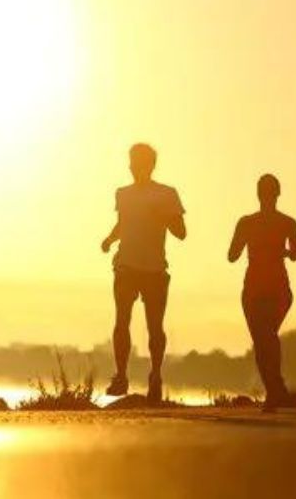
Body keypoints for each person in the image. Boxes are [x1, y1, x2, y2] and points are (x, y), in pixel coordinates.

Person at [100, 143, 186, 401]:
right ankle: (121, 376)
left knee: (155, 327)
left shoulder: (166, 194)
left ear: (149, 165)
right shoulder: (122, 194)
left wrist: (164, 216)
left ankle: (156, 376)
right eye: (130, 161)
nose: (131, 166)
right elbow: (123, 224)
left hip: (155, 269)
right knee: (121, 321)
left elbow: (181, 233)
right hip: (126, 266)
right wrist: (109, 239)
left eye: (136, 162)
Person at [227, 174, 296, 410]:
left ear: (259, 194)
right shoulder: (284, 223)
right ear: (276, 194)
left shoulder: (253, 222)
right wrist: (283, 252)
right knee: (263, 339)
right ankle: (275, 391)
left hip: (272, 288)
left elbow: (232, 256)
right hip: (261, 289)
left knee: (264, 337)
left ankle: (275, 390)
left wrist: (270, 250)